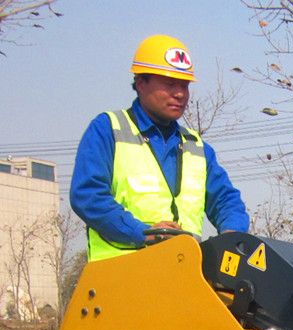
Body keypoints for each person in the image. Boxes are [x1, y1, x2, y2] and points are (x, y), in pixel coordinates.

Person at [70, 34, 249, 261]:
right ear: (141, 83)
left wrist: (232, 235)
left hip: (183, 275)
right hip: (120, 277)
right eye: (170, 84)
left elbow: (225, 199)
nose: (180, 93)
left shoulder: (197, 147)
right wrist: (145, 234)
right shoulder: (107, 130)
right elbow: (88, 196)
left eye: (184, 85)